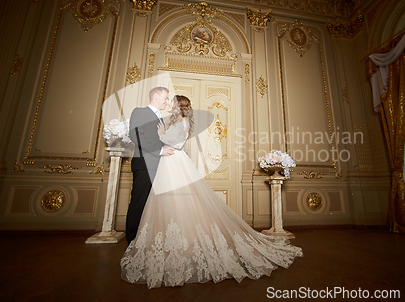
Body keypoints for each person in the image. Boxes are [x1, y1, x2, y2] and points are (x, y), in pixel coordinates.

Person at [121, 95, 302, 288]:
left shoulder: (182, 122)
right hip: (168, 165)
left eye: (172, 103)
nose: (169, 106)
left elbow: (177, 145)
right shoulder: (175, 121)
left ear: (179, 106)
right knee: (167, 206)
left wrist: (162, 135)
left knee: (181, 204)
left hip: (174, 164)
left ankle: (188, 244)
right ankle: (169, 246)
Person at [125, 87, 175, 245]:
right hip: (145, 165)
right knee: (139, 202)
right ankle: (132, 241)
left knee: (154, 205)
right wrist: (160, 150)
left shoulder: (161, 118)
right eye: (165, 98)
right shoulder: (140, 112)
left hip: (160, 166)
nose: (167, 102)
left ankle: (147, 240)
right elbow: (136, 135)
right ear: (156, 96)